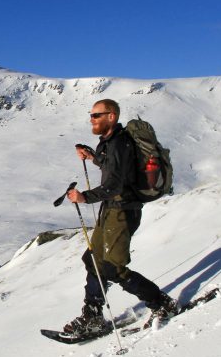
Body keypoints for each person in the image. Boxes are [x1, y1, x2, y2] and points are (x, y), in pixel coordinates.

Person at [63, 99, 179, 336]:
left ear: (111, 116)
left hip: (122, 211)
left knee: (112, 268)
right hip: (112, 210)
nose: (92, 119)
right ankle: (93, 315)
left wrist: (84, 197)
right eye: (91, 115)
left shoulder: (119, 144)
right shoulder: (111, 142)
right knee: (93, 259)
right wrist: (92, 156)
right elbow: (114, 168)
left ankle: (161, 304)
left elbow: (114, 185)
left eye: (96, 115)